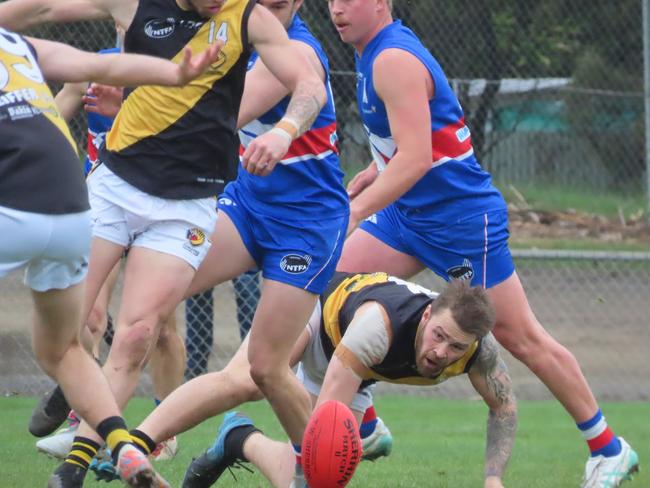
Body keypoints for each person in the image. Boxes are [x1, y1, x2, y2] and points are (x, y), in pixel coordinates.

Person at [0, 1, 330, 486]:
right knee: (77, 326)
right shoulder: (135, 3)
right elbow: (47, 8)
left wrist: (285, 131)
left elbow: (310, 84)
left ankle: (73, 469)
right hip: (115, 185)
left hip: (187, 204)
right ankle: (75, 391)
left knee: (136, 335)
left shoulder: (246, 16)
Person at [325, 1, 639, 487]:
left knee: (520, 337)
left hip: (460, 222)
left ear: (382, 2)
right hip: (409, 216)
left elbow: (417, 159)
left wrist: (356, 211)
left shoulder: (392, 59)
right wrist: (372, 173)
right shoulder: (371, 56)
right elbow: (413, 144)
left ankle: (608, 449)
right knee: (331, 282)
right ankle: (364, 423)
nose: (337, 9)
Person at [0, 26, 220, 487]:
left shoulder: (200, 54)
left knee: (150, 332)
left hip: (168, 200)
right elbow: (63, 97)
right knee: (82, 328)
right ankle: (110, 439)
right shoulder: (76, 58)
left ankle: (161, 426)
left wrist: (146, 94)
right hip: (88, 192)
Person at [124, 273, 516, 488]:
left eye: (455, 347)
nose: (441, 352)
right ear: (428, 317)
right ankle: (134, 443)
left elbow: (504, 408)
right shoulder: (378, 328)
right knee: (246, 380)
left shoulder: (480, 353)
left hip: (357, 370)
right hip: (314, 311)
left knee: (314, 481)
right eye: (439, 336)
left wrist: (493, 479)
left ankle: (239, 439)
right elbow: (324, 421)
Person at [32, 39, 184, 462]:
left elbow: (180, 140)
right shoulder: (93, 64)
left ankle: (164, 429)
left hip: (160, 204)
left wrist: (123, 114)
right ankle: (83, 420)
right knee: (89, 316)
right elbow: (60, 108)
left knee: (158, 330)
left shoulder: (171, 67)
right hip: (104, 200)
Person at [184, 270, 261, 381]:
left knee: (247, 289)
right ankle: (195, 369)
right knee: (198, 291)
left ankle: (252, 362)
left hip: (241, 252)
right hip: (207, 253)